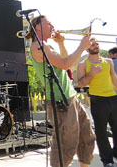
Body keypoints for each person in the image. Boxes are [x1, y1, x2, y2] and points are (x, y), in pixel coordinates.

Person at [26, 15, 95, 167]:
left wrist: (62, 44)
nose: (52, 25)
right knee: (66, 143)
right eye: (48, 23)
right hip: (60, 100)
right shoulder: (38, 46)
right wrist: (82, 47)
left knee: (87, 136)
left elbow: (67, 62)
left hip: (71, 96)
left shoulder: (47, 46)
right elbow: (65, 63)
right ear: (38, 27)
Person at [77, 38, 117, 167]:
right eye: (92, 45)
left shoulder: (109, 61)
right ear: (87, 48)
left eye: (97, 44)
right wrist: (92, 74)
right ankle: (107, 160)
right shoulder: (83, 64)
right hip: (97, 99)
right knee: (101, 131)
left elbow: (114, 79)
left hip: (113, 98)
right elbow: (81, 83)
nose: (95, 46)